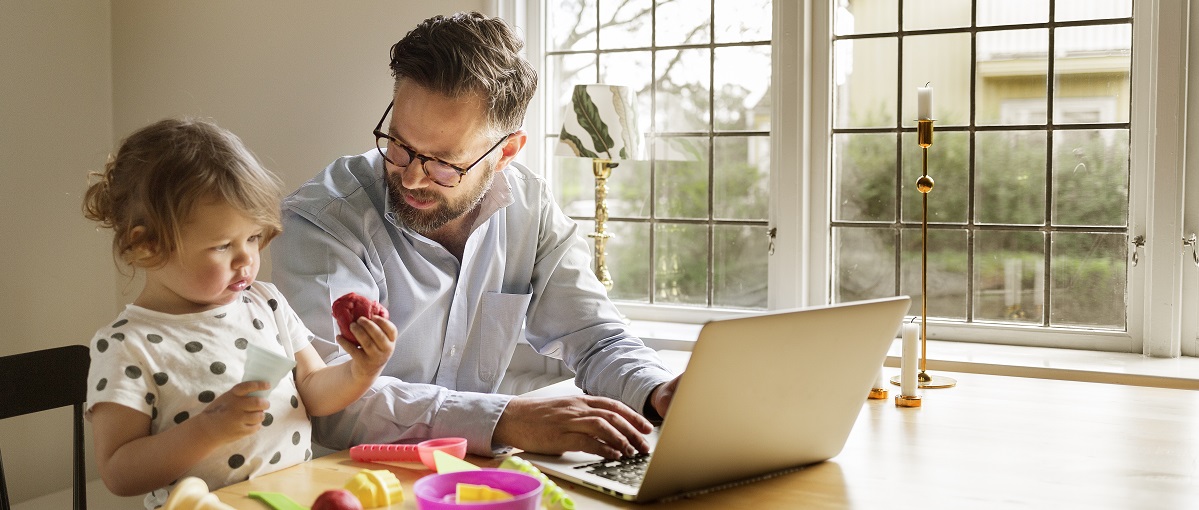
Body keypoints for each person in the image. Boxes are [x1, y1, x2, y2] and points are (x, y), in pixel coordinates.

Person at [271, 11, 682, 460]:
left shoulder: (531, 209)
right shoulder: (322, 220)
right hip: (345, 479)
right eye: (399, 145)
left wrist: (657, 389)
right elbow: (330, 396)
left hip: (472, 479)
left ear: (506, 152)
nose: (410, 178)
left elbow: (595, 336)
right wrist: (507, 419)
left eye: (444, 163)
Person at [82, 118, 398, 509]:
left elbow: (314, 389)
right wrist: (208, 428)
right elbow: (118, 471)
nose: (247, 258)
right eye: (222, 246)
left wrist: (360, 371)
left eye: (252, 237)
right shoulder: (127, 344)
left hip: (293, 498)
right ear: (146, 246)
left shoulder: (265, 302)